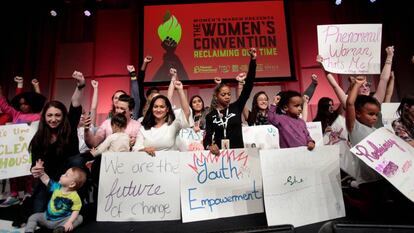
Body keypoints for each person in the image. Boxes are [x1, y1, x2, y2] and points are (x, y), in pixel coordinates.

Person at [25, 71, 85, 224]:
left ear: (63, 116)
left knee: (77, 159)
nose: (53, 119)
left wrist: (80, 86)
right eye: (49, 115)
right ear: (44, 118)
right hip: (49, 181)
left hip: (69, 181)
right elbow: (35, 164)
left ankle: (71, 212)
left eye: (57, 115)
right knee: (38, 213)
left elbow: (75, 105)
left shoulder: (69, 127)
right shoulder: (39, 138)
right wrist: (35, 169)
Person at [203, 48, 257, 155]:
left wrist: (253, 60)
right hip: (219, 157)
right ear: (216, 96)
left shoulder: (236, 107)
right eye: (223, 94)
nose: (227, 97)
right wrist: (210, 146)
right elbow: (207, 138)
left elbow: (249, 85)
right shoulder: (210, 116)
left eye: (229, 94)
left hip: (238, 156)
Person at [132, 74, 191, 156]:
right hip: (149, 166)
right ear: (151, 109)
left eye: (162, 107)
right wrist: (144, 150)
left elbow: (186, 113)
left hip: (172, 165)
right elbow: (135, 149)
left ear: (167, 110)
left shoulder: (173, 125)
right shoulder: (143, 128)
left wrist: (180, 90)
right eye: (155, 107)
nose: (158, 110)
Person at [26, 160, 86, 233]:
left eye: (66, 175)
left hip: (62, 221)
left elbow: (76, 210)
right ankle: (29, 231)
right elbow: (46, 179)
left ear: (72, 184)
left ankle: (62, 229)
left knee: (79, 218)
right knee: (33, 217)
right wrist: (41, 171)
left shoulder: (74, 196)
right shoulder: (56, 186)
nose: (62, 175)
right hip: (46, 218)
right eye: (64, 173)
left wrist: (69, 222)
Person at [127, 55, 153, 119]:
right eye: (152, 95)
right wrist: (145, 62)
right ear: (147, 96)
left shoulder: (158, 109)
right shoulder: (140, 102)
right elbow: (140, 80)